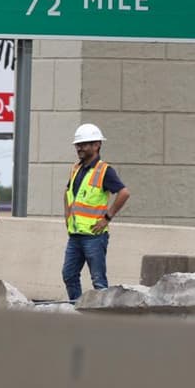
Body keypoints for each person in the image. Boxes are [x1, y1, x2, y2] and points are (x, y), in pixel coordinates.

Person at [63, 123, 130, 300]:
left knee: (98, 280)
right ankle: (76, 307)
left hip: (94, 235)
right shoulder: (76, 169)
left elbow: (124, 193)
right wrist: (67, 217)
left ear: (96, 145)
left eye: (84, 144)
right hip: (75, 235)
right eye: (78, 145)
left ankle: (102, 317)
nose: (79, 148)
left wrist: (107, 218)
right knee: (69, 275)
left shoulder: (104, 171)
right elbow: (67, 193)